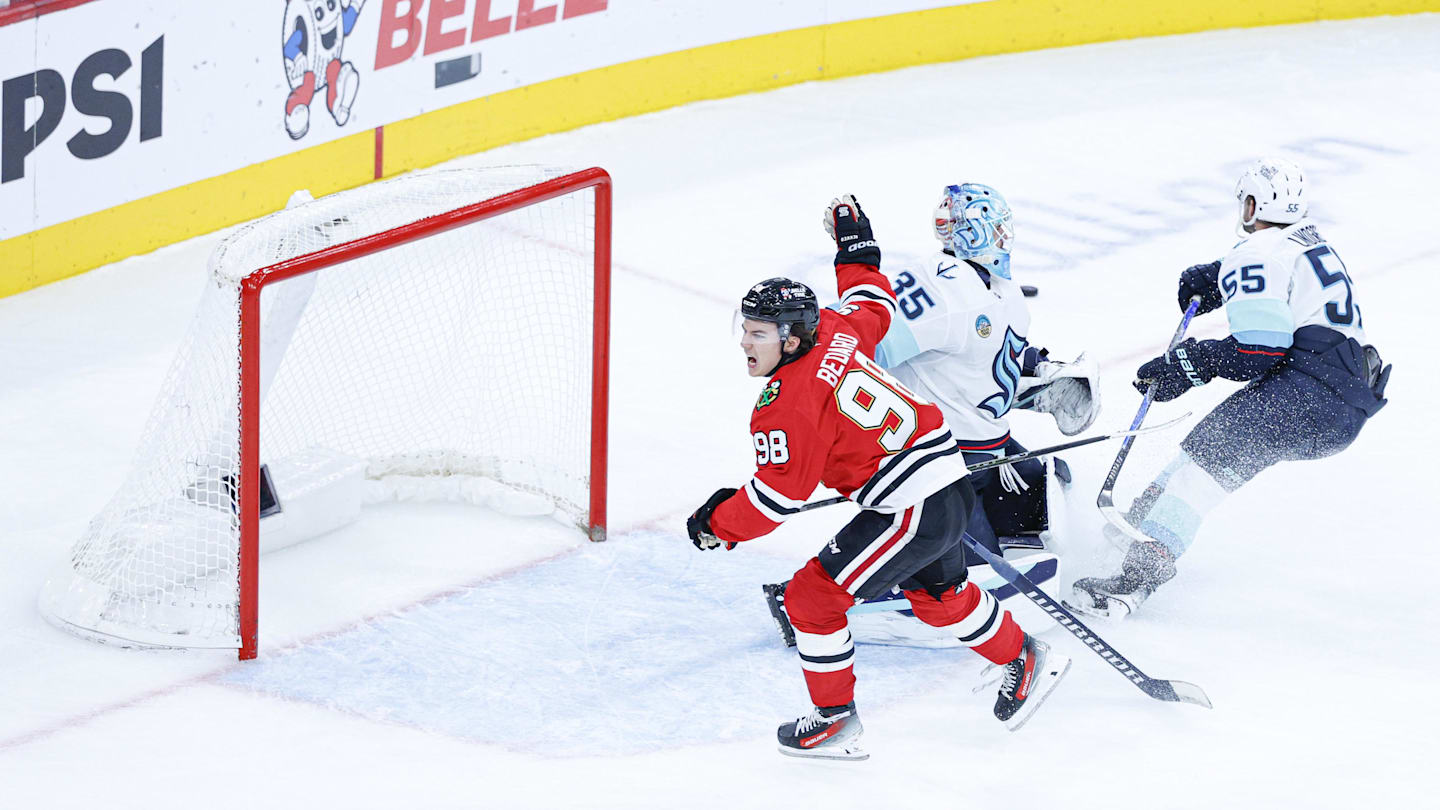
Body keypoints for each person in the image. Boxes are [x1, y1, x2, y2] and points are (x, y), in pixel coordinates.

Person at [687, 195, 1070, 761]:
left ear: (792, 339)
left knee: (811, 601)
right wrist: (855, 242)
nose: (746, 342)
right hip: (949, 484)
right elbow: (871, 295)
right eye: (745, 329)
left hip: (910, 508)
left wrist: (717, 523)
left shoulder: (788, 403)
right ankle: (1026, 656)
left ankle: (834, 721)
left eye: (759, 333)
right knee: (940, 597)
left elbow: (778, 498)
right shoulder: (839, 330)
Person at [1066, 157, 1391, 619]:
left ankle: (1132, 582)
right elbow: (1281, 281)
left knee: (1203, 469)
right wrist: (1221, 276)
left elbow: (1258, 350)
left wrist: (1189, 363)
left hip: (1308, 393)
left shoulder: (1256, 252)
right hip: (1340, 398)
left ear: (1253, 204)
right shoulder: (1307, 240)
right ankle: (1128, 535)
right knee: (1199, 455)